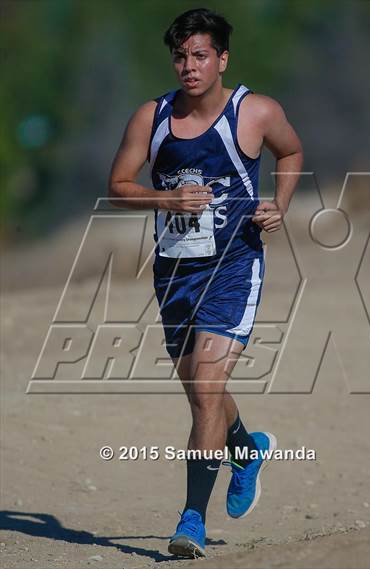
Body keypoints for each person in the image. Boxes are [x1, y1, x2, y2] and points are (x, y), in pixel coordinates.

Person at [108, 8, 303, 559]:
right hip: (174, 272)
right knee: (200, 390)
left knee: (207, 393)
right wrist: (165, 198)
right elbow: (119, 184)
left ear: (222, 59)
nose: (189, 67)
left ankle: (191, 519)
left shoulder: (256, 111)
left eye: (200, 56)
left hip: (234, 267)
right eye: (180, 56)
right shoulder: (153, 117)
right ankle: (247, 449)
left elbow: (290, 152)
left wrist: (280, 205)